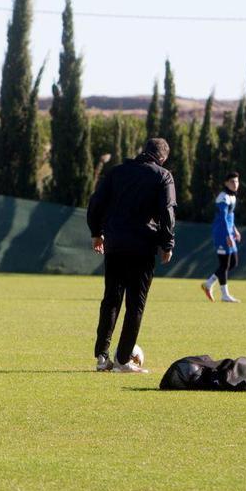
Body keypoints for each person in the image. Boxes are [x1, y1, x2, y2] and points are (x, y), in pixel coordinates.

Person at [86, 138, 175, 373]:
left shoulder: (116, 173)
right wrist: (167, 244)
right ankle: (124, 359)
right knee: (135, 304)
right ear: (162, 158)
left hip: (114, 244)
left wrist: (97, 233)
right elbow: (167, 211)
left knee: (111, 299)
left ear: (142, 151)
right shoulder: (163, 176)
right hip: (142, 247)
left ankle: (102, 357)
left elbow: (96, 202)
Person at [202, 172, 241, 303]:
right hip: (221, 234)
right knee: (224, 264)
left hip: (229, 232)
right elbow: (223, 218)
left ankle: (208, 283)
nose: (235, 184)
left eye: (236, 181)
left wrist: (235, 230)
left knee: (234, 262)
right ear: (226, 183)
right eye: (232, 182)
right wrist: (228, 235)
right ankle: (225, 295)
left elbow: (230, 216)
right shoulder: (223, 197)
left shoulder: (232, 197)